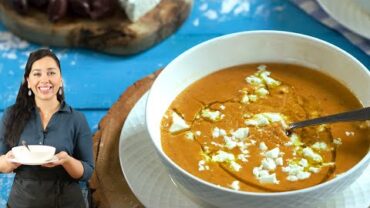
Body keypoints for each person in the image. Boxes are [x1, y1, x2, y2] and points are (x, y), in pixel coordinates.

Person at [0, 48, 94, 208]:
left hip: (68, 203)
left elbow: (87, 171)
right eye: (37, 74)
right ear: (28, 81)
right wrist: (9, 162)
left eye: (51, 73)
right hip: (22, 203)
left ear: (60, 79)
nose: (45, 79)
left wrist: (66, 161)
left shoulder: (76, 118)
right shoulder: (11, 115)